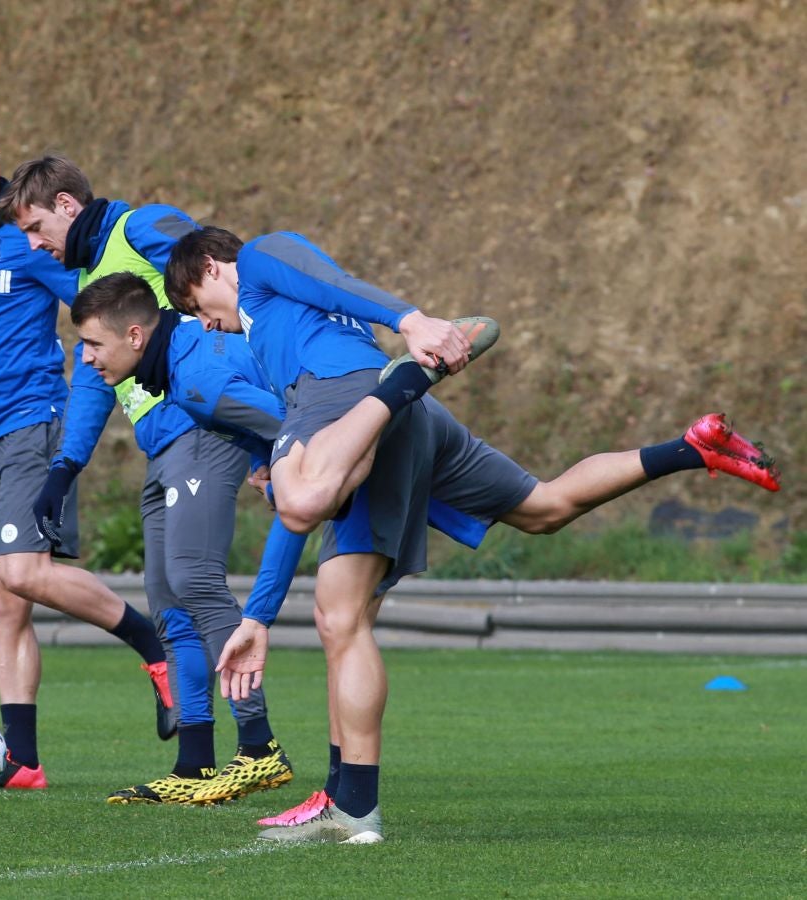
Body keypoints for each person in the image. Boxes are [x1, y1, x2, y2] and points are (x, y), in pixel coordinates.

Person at [164, 225, 783, 843]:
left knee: (329, 584)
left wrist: (411, 322)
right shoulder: (274, 334)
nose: (207, 325)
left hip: (359, 399)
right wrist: (261, 606)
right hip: (397, 414)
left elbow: (334, 282)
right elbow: (325, 311)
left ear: (214, 266)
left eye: (196, 306)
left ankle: (351, 806)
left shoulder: (262, 259)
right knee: (544, 505)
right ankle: (692, 448)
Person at [0, 158, 293, 805]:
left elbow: (223, 275)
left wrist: (260, 413)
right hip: (163, 446)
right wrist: (63, 471)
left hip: (201, 423)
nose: (32, 244)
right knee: (170, 607)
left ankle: (259, 745)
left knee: (193, 582)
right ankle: (194, 766)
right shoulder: (92, 284)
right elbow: (92, 386)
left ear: (68, 205)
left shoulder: (145, 228)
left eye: (35, 226)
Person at [0, 116, 174, 788]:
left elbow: (94, 309)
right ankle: (24, 760)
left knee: (23, 571)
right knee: (2, 596)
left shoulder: (30, 243)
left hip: (34, 421)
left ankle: (153, 645)